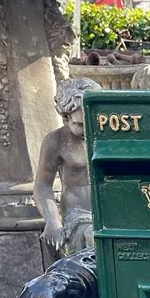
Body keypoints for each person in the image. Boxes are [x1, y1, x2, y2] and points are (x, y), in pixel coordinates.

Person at [33, 77, 100, 256]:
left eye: (90, 121)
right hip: (78, 215)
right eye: (79, 124)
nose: (87, 129)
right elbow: (42, 187)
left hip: (108, 212)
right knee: (93, 239)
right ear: (65, 117)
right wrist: (52, 219)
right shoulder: (55, 141)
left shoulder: (106, 135)